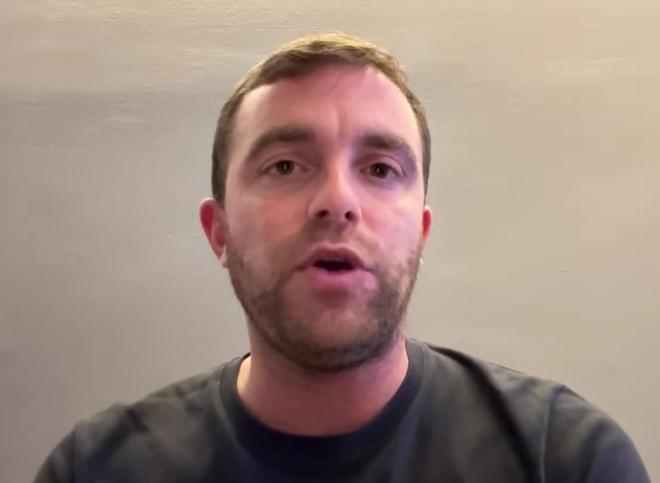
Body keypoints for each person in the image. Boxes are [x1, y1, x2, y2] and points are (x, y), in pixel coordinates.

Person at [35, 32, 650, 483]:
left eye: (380, 169)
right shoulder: (95, 469)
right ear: (219, 231)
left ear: (421, 233)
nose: (337, 201)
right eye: (285, 166)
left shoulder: (565, 459)